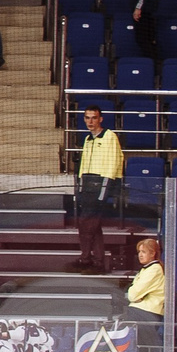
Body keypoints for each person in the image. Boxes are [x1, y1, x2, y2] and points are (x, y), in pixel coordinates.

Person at [71, 106, 124, 274]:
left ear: (100, 119)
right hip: (86, 183)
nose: (90, 122)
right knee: (90, 224)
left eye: (94, 118)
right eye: (87, 118)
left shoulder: (109, 137)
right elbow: (83, 165)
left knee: (89, 224)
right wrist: (79, 185)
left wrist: (104, 189)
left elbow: (114, 162)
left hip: (100, 183)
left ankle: (90, 260)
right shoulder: (87, 139)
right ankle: (93, 260)